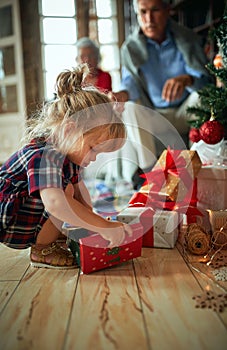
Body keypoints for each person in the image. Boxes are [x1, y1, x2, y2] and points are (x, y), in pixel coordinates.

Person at [0, 64, 132, 269]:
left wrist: (95, 223)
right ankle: (42, 249)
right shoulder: (45, 155)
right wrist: (103, 226)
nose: (94, 158)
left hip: (25, 212)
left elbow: (82, 195)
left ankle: (51, 238)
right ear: (70, 130)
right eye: (93, 149)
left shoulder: (69, 156)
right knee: (64, 194)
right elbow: (55, 203)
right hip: (9, 218)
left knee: (72, 191)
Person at [109, 0, 212, 187]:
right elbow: (129, 83)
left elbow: (206, 81)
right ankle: (150, 174)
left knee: (202, 96)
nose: (149, 19)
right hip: (155, 115)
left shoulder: (187, 39)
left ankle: (199, 169)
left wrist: (187, 79)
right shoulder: (130, 48)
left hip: (185, 112)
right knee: (131, 108)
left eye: (155, 10)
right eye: (143, 12)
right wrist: (121, 95)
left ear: (167, 11)